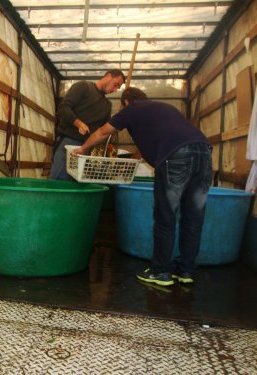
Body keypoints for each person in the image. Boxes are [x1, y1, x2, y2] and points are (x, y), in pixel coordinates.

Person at [72, 87, 212, 286]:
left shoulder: (132, 108)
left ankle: (161, 272)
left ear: (126, 102)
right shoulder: (164, 108)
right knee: (193, 217)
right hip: (204, 153)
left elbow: (103, 132)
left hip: (176, 155)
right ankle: (186, 271)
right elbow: (145, 148)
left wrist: (83, 148)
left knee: (166, 216)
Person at [50, 69, 125, 180]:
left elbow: (105, 130)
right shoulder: (84, 87)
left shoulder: (107, 105)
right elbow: (63, 108)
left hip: (87, 149)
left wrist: (121, 117)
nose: (114, 90)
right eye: (115, 85)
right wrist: (78, 123)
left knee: (78, 183)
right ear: (108, 76)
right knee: (60, 179)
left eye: (117, 88)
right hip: (68, 143)